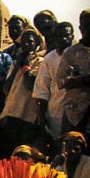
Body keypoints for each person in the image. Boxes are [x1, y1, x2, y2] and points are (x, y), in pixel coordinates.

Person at [33, 21, 74, 151]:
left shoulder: (80, 55)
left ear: (72, 36)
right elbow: (42, 90)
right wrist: (42, 119)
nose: (64, 39)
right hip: (55, 113)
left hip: (76, 113)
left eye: (67, 36)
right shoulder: (49, 59)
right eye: (60, 36)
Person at [56, 8, 90, 139]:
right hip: (75, 113)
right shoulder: (71, 53)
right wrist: (85, 79)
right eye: (87, 25)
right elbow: (62, 81)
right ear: (80, 28)